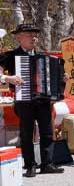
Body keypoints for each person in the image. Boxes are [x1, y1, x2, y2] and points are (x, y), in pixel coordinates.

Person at [0, 24, 67, 177]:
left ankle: (47, 164)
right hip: (24, 101)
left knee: (47, 132)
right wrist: (7, 78)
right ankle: (30, 165)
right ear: (18, 37)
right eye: (29, 34)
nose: (33, 37)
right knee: (26, 133)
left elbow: (52, 78)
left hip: (43, 100)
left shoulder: (43, 56)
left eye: (35, 35)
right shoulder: (10, 56)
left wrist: (61, 79)